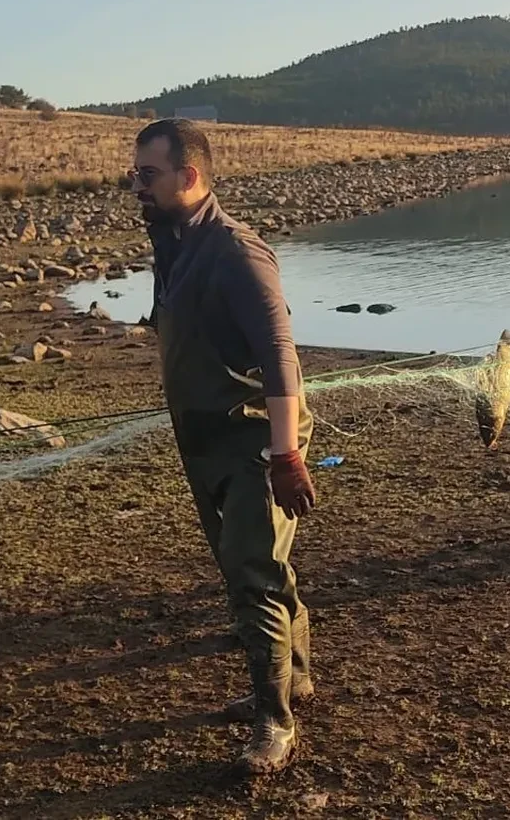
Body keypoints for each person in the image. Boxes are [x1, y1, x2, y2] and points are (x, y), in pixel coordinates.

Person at [130, 118, 316, 775]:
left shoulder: (238, 252)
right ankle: (293, 680)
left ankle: (274, 723)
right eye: (134, 175)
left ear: (190, 177)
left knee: (251, 583)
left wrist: (286, 455)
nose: (137, 187)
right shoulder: (173, 243)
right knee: (260, 572)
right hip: (204, 444)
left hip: (253, 445)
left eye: (147, 176)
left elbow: (280, 358)